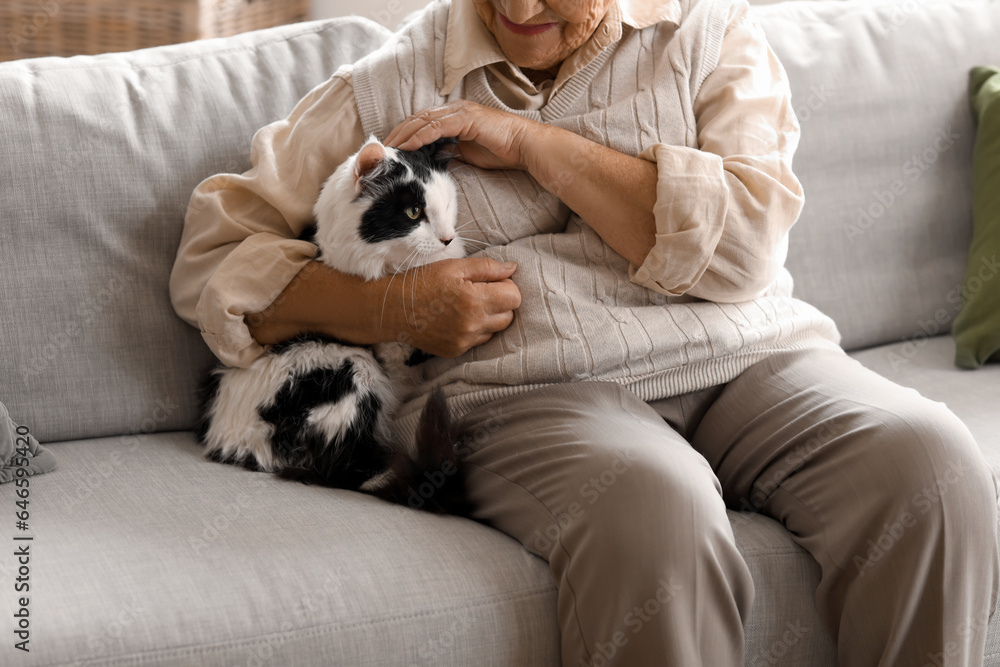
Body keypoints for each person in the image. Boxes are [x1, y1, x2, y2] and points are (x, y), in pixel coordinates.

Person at [170, 0, 1000, 663]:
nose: (518, 7)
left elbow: (746, 247)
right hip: (536, 392)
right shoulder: (393, 84)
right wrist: (398, 306)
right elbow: (214, 254)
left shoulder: (709, 37)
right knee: (656, 509)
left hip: (751, 352)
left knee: (932, 461)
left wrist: (537, 146)